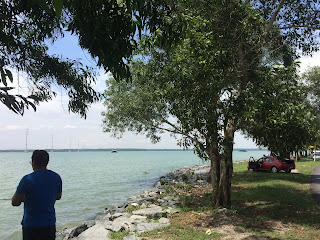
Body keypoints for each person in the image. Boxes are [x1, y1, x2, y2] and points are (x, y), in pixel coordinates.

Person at [12, 150, 62, 240]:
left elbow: (15, 202)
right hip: (49, 224)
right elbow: (58, 196)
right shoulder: (56, 177)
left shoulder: (26, 179)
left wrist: (24, 198)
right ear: (47, 162)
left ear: (33, 162)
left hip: (31, 226)